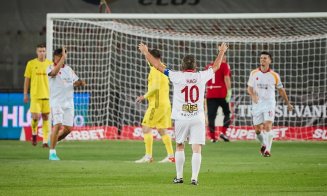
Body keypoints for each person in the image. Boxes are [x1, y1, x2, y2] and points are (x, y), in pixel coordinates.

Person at [138, 42, 228, 185]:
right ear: (195, 67)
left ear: (182, 66)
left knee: (180, 146)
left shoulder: (176, 75)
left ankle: (179, 177)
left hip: (181, 117)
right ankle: (194, 178)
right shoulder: (201, 76)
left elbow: (158, 66)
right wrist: (222, 51)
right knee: (196, 148)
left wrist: (145, 52)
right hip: (197, 117)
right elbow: (216, 67)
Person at [247, 51, 293, 157]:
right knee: (258, 130)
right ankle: (264, 144)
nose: (262, 60)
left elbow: (281, 90)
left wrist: (288, 103)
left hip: (269, 103)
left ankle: (267, 150)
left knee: (267, 125)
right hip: (257, 104)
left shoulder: (274, 75)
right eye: (261, 58)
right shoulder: (253, 73)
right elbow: (249, 88)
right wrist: (253, 95)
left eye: (265, 58)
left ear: (270, 61)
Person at [135, 49, 175, 163]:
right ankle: (171, 156)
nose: (146, 59)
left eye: (148, 57)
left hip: (157, 105)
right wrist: (146, 51)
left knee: (146, 127)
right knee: (162, 130)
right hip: (165, 104)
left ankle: (148, 156)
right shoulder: (163, 67)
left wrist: (144, 96)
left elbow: (155, 87)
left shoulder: (155, 69)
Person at [47, 47, 86, 160]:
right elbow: (53, 73)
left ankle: (53, 141)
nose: (64, 57)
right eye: (61, 56)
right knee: (57, 125)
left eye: (64, 56)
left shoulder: (69, 69)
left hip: (69, 103)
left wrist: (80, 83)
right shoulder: (50, 67)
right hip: (57, 102)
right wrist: (62, 60)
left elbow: (74, 82)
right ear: (56, 57)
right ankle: (52, 153)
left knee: (68, 129)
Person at [24, 43, 52, 147]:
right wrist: (25, 94)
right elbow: (27, 80)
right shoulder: (31, 64)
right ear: (37, 52)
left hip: (47, 95)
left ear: (46, 52)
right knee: (35, 117)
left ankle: (45, 141)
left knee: (45, 117)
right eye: (40, 51)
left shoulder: (50, 64)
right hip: (35, 95)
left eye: (43, 51)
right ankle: (34, 134)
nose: (42, 53)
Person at [205, 55, 232, 142]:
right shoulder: (224, 65)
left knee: (211, 116)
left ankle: (213, 138)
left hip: (210, 94)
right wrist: (229, 91)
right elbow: (227, 78)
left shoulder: (208, 67)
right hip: (222, 94)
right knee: (227, 113)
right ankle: (223, 132)